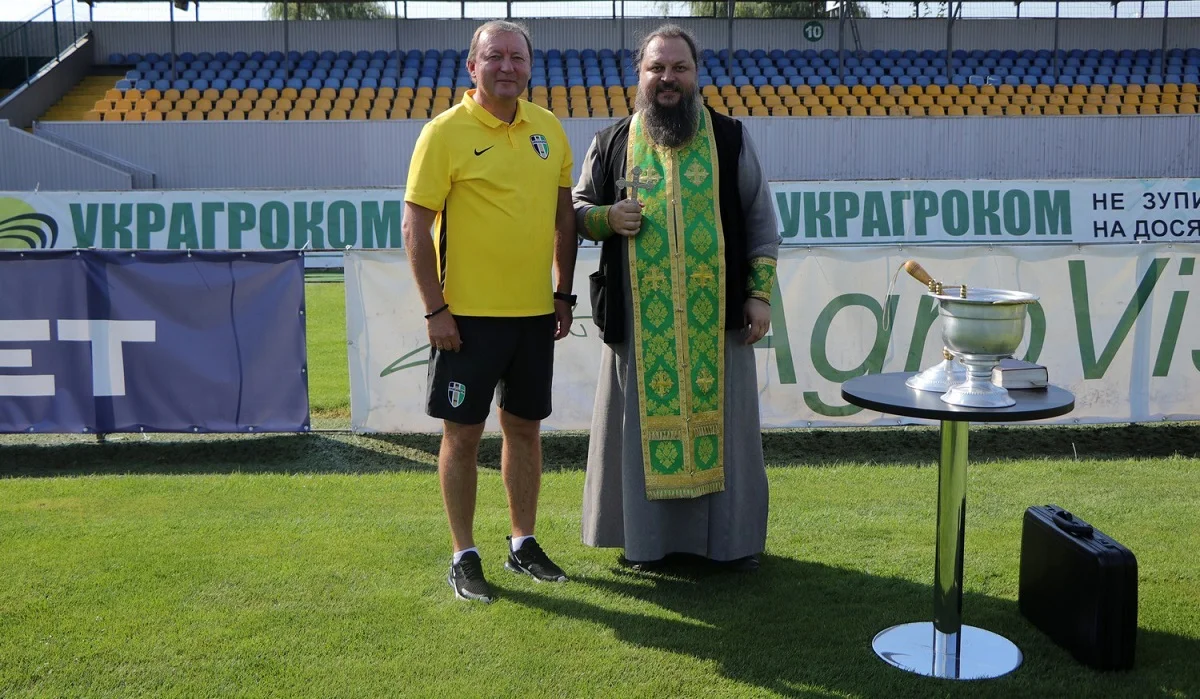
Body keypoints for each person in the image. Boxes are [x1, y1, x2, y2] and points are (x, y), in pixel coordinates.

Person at [571, 25, 780, 571]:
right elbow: (574, 211)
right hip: (639, 328)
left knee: (728, 436)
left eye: (679, 68)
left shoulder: (731, 138)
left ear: (696, 73)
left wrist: (759, 296)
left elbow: (761, 221)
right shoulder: (611, 142)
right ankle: (646, 546)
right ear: (639, 75)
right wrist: (606, 217)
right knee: (636, 437)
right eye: (656, 68)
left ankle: (731, 547)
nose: (668, 78)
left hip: (720, 323)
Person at [402, 20, 577, 604]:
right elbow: (414, 226)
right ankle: (464, 554)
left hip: (533, 317)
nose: (507, 66)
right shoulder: (443, 132)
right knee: (463, 436)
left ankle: (523, 542)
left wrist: (562, 293)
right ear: (471, 66)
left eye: (517, 57)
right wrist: (435, 309)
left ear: (530, 65)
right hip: (466, 322)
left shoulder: (549, 128)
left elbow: (564, 217)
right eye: (495, 56)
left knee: (525, 430)